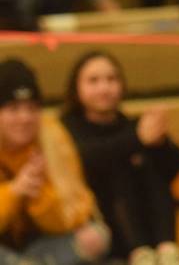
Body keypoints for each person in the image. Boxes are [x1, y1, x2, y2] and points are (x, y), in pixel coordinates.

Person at [59, 51, 179, 265]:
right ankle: (140, 253)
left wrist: (160, 142)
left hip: (148, 223)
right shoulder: (66, 128)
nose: (104, 88)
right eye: (93, 81)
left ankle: (167, 251)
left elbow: (172, 168)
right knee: (119, 167)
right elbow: (85, 160)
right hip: (98, 226)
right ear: (76, 87)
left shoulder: (131, 125)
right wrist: (138, 139)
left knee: (149, 165)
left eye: (111, 79)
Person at [0, 58, 109, 264]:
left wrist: (38, 193)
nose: (25, 118)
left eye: (32, 109)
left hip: (41, 247)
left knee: (96, 236)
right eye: (13, 109)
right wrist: (15, 191)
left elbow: (72, 218)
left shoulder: (52, 137)